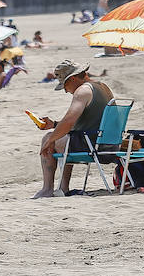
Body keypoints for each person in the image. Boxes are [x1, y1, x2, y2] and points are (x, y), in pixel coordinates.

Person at [34, 59, 114, 198]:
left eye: (64, 85)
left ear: (73, 78)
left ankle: (47, 188)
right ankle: (63, 187)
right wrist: (53, 125)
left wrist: (51, 139)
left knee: (48, 138)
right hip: (110, 144)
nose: (65, 90)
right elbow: (83, 122)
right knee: (63, 136)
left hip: (92, 145)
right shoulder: (103, 87)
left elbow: (69, 121)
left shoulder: (83, 91)